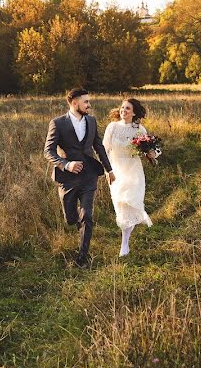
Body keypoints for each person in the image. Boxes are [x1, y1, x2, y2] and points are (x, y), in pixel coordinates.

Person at [44, 88, 115, 267]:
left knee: (87, 216)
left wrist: (109, 169)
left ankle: (82, 258)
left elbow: (98, 146)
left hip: (89, 175)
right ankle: (77, 225)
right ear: (74, 103)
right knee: (71, 218)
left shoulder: (91, 121)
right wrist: (66, 164)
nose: (89, 105)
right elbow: (48, 151)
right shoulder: (58, 123)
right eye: (86, 102)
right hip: (67, 178)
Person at [102, 98, 155, 257]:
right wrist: (106, 170)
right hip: (116, 171)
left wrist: (152, 154)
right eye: (122, 107)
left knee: (129, 204)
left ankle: (124, 243)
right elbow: (104, 150)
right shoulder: (112, 127)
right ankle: (126, 237)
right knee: (119, 205)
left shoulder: (139, 129)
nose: (123, 110)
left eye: (127, 108)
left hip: (133, 171)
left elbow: (150, 150)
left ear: (134, 112)